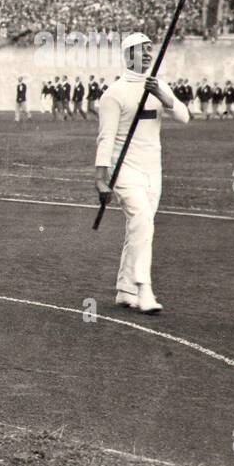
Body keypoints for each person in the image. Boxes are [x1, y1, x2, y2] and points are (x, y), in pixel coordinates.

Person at [94, 32, 189, 316]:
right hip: (124, 170)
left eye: (150, 50)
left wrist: (163, 95)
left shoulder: (159, 85)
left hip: (153, 169)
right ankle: (143, 288)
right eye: (140, 50)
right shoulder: (114, 94)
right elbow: (105, 139)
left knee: (138, 228)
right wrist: (100, 178)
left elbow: (184, 117)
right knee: (143, 222)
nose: (148, 54)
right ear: (127, 55)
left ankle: (125, 289)